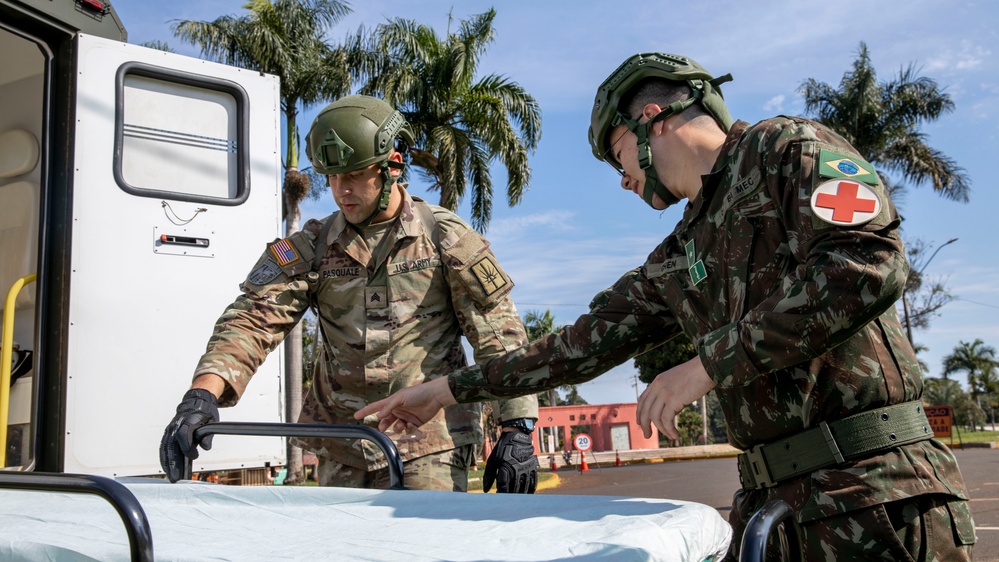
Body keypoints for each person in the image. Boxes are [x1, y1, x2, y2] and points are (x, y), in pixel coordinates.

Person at [356, 53, 975, 559]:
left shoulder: (787, 150)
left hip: (878, 498)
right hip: (777, 514)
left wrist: (708, 365)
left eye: (616, 152)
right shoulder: (682, 252)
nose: (621, 176)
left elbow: (866, 262)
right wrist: (445, 390)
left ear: (654, 119)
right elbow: (576, 346)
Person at [160, 94, 539, 494]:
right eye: (333, 178)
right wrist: (202, 396)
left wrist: (516, 427)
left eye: (355, 176)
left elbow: (497, 333)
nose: (341, 191)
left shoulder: (444, 238)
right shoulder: (312, 245)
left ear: (392, 166)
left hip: (430, 442)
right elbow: (252, 319)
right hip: (343, 443)